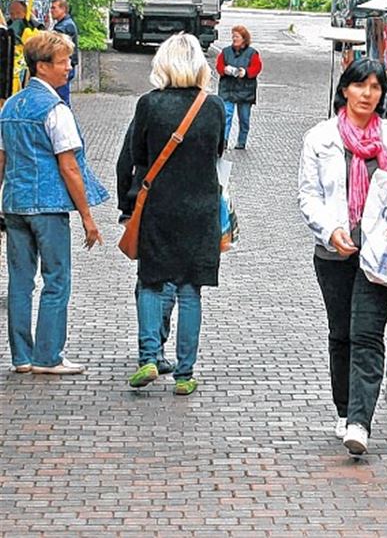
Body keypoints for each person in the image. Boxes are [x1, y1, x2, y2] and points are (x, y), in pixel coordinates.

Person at [298, 58, 387, 455]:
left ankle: (360, 422)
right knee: (342, 332)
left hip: (380, 252)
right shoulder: (320, 137)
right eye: (360, 85)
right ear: (345, 89)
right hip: (334, 251)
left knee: (367, 333)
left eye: (375, 87)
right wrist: (331, 230)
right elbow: (309, 195)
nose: (367, 94)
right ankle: (344, 407)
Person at [0, 31, 107, 375]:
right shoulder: (55, 110)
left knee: (20, 281)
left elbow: (1, 159)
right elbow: (69, 166)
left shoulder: (10, 106)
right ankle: (48, 356)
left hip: (14, 203)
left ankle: (21, 357)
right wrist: (87, 216)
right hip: (47, 206)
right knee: (56, 280)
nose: (69, 68)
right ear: (42, 66)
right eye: (63, 62)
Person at [124, 33, 226, 395]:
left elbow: (138, 154)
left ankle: (149, 357)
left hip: (159, 208)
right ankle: (185, 375)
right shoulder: (213, 107)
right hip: (201, 210)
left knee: (152, 283)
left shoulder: (148, 104)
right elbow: (218, 150)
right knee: (190, 291)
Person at [116, 121, 175, 376]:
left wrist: (126, 207)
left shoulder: (148, 109)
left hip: (147, 204)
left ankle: (149, 349)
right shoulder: (205, 109)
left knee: (148, 279)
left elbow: (124, 163)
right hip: (186, 209)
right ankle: (157, 346)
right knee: (171, 282)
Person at [216, 25, 263, 150]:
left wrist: (246, 72)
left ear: (244, 38)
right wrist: (224, 70)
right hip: (228, 89)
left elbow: (257, 67)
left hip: (245, 90)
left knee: (244, 118)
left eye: (237, 36)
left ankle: (242, 141)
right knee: (226, 116)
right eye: (233, 36)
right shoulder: (225, 52)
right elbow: (219, 66)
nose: (234, 39)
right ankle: (224, 141)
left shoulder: (252, 53)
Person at [50, 0, 78, 106]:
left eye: (54, 8)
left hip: (64, 66)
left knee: (62, 98)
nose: (51, 11)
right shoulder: (64, 24)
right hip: (65, 65)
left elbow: (57, 45)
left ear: (63, 9)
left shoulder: (65, 26)